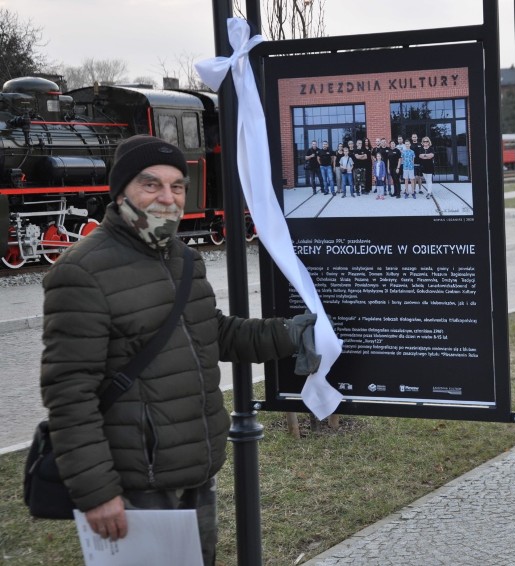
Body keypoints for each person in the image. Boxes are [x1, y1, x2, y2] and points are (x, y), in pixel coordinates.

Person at [39, 135, 320, 566]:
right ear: (121, 191)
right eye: (151, 185)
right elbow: (68, 396)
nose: (167, 199)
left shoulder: (181, 257)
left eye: (177, 187)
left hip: (192, 470)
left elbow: (212, 331)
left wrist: (287, 333)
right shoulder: (81, 272)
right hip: (134, 483)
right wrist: (98, 493)